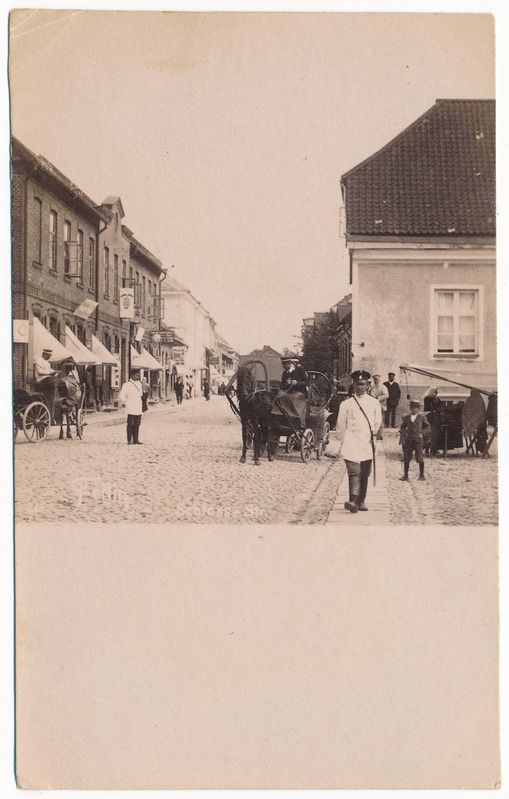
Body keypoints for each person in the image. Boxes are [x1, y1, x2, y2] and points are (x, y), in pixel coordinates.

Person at [336, 369, 382, 513]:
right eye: (357, 384)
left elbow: (377, 422)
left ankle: (361, 501)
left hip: (367, 441)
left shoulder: (374, 403)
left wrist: (372, 436)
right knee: (354, 471)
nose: (360, 387)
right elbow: (340, 424)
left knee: (364, 472)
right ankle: (353, 501)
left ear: (367, 385)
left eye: (363, 384)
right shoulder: (346, 403)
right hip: (352, 440)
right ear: (353, 385)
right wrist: (346, 438)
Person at [399, 400, 431, 481]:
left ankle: (422, 475)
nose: (414, 409)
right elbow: (402, 427)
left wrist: (422, 433)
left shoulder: (422, 418)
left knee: (420, 457)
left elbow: (428, 427)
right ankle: (405, 475)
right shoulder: (407, 418)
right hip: (409, 440)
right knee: (406, 457)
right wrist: (404, 432)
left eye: (416, 408)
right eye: (412, 408)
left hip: (418, 440)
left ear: (418, 409)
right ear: (410, 408)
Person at [119, 368, 144, 444]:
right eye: (137, 375)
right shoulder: (127, 385)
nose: (138, 377)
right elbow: (121, 395)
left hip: (138, 407)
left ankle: (136, 439)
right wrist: (127, 402)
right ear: (132, 375)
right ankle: (129, 439)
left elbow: (141, 395)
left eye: (139, 375)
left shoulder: (139, 384)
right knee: (130, 424)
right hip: (131, 407)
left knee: (137, 424)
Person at [368, 374, 389, 440]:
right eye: (375, 379)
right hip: (372, 406)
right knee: (373, 419)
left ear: (379, 379)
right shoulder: (372, 387)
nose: (376, 380)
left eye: (377, 379)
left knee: (380, 420)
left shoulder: (383, 387)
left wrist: (377, 398)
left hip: (380, 405)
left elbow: (386, 395)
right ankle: (373, 433)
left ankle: (379, 435)